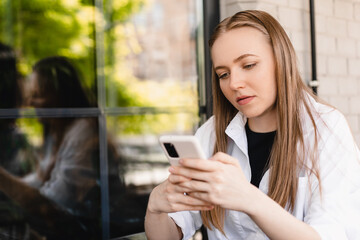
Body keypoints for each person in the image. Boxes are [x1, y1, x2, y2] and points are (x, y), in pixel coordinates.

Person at [144, 10, 360, 240]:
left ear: (281, 61)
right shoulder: (211, 133)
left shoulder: (325, 128)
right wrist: (154, 210)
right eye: (223, 74)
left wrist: (248, 198)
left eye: (248, 65)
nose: (234, 84)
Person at [0, 56, 123, 239]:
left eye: (38, 94)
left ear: (61, 95)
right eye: (30, 95)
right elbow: (39, 182)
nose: (30, 103)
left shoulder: (84, 132)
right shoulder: (56, 132)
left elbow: (52, 205)